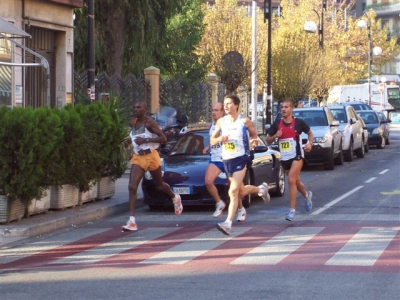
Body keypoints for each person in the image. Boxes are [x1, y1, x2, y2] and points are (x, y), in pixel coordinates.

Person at [210, 94, 270, 235]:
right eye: (225, 104)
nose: (226, 106)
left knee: (233, 191)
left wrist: (254, 141)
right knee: (241, 191)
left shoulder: (244, 121)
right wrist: (220, 138)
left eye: (229, 103)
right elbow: (212, 141)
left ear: (236, 105)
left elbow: (254, 135)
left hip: (241, 159)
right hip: (227, 160)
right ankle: (260, 190)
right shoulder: (221, 122)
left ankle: (228, 223)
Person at [122, 101, 183, 231]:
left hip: (151, 156)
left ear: (145, 109)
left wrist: (146, 140)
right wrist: (128, 142)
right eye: (134, 107)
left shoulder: (150, 123)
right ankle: (132, 221)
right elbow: (134, 138)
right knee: (132, 187)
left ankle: (174, 197)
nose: (136, 109)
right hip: (138, 157)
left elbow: (163, 139)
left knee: (159, 185)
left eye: (139, 107)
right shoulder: (132, 123)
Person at [265, 99, 314, 221]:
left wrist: (310, 143)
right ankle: (307, 195)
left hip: (297, 155)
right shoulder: (277, 123)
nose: (284, 109)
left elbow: (310, 133)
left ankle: (292, 211)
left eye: (286, 107)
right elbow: (267, 140)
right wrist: (275, 135)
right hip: (285, 157)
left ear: (292, 109)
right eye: (282, 107)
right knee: (296, 182)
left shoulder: (299, 123)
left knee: (291, 180)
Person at [202, 102, 226, 218]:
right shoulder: (211, 125)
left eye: (216, 110)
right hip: (215, 159)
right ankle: (219, 203)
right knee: (208, 181)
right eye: (212, 110)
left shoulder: (227, 124)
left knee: (236, 189)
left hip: (227, 158)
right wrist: (208, 147)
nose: (213, 112)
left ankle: (241, 208)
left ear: (222, 112)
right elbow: (213, 140)